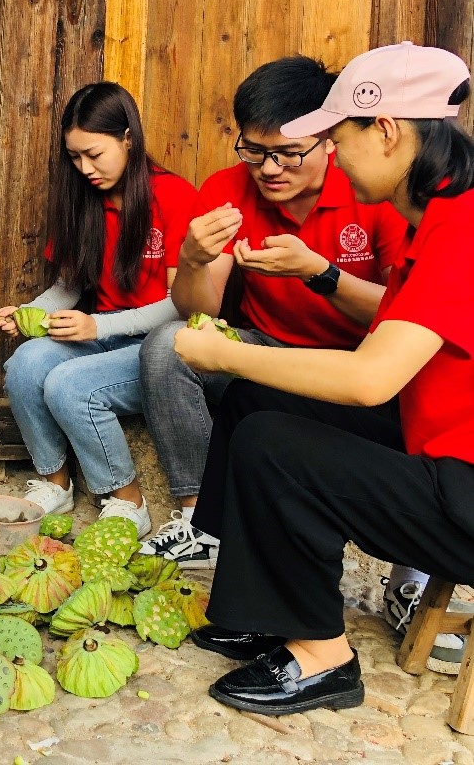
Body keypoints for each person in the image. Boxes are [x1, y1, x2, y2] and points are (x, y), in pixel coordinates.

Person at [173, 42, 473, 717]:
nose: (334, 154)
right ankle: (260, 602)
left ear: (387, 130)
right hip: (436, 444)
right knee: (255, 402)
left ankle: (321, 655)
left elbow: (370, 378)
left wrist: (223, 354)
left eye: (339, 137)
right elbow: (400, 331)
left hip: (462, 490)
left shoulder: (461, 229)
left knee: (274, 446)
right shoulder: (437, 217)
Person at [137, 57, 407, 566]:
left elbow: (406, 315)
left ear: (329, 140)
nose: (268, 170)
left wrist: (320, 274)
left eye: (288, 154)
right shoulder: (227, 189)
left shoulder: (373, 192)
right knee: (167, 345)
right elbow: (200, 311)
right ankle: (200, 522)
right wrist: (192, 261)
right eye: (254, 151)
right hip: (266, 356)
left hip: (356, 368)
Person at [0, 83, 196, 536]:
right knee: (25, 363)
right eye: (75, 157)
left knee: (68, 384)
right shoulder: (84, 199)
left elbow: (179, 304)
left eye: (94, 154)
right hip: (105, 338)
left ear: (128, 138)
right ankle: (54, 484)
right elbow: (68, 286)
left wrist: (97, 325)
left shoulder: (173, 195)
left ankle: (127, 500)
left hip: (159, 350)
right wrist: (27, 313)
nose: (84, 168)